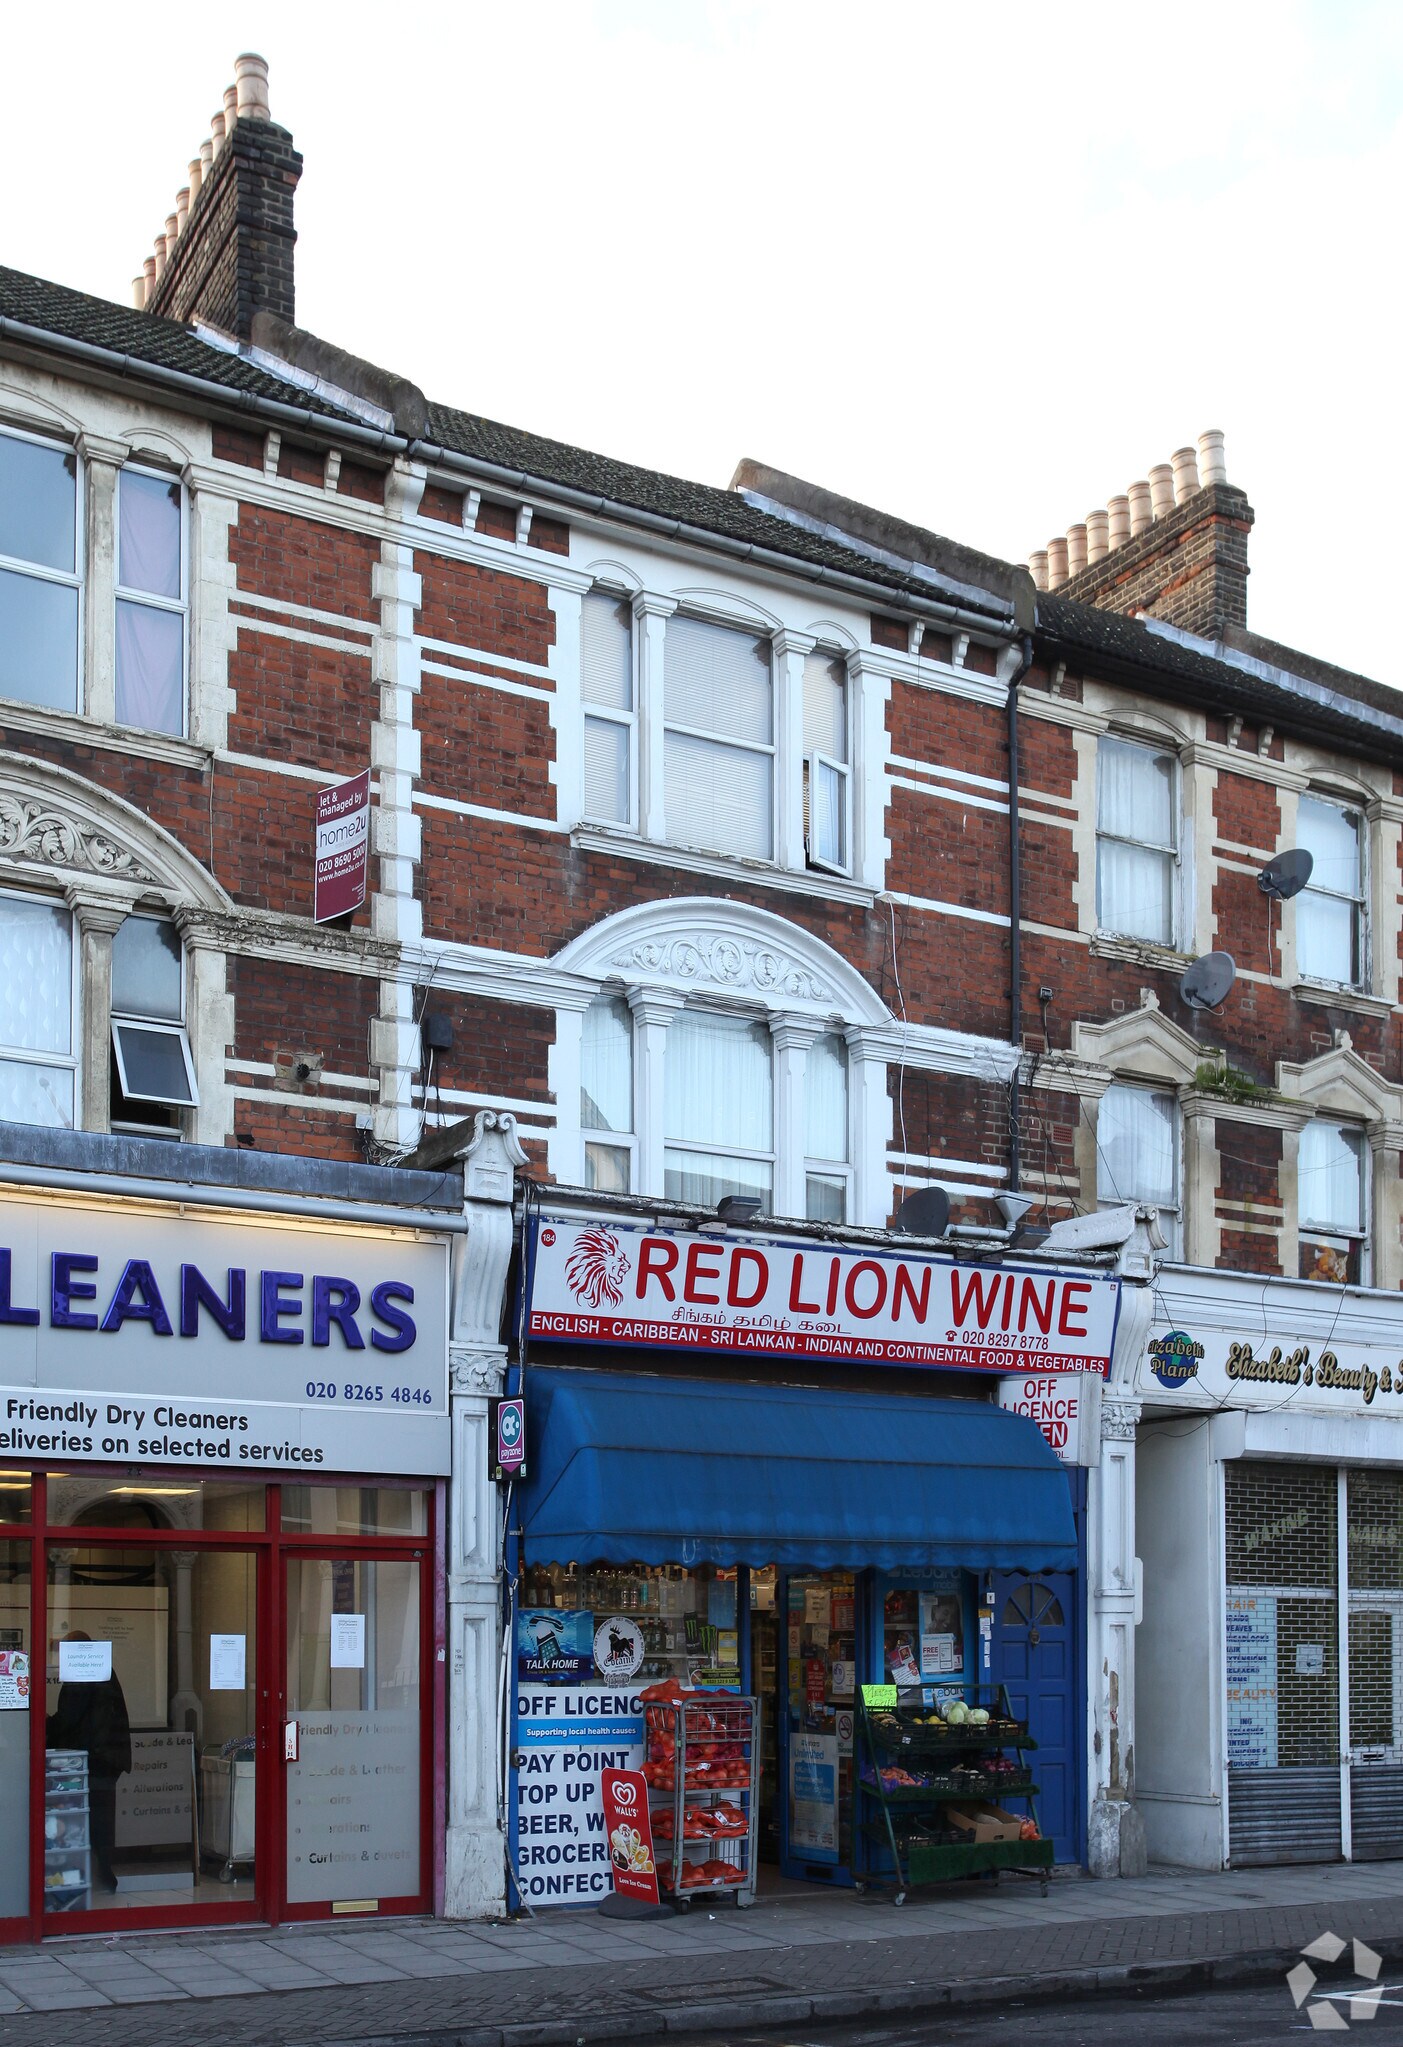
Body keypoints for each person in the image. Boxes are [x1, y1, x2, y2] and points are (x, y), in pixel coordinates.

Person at [47, 1631, 132, 1893]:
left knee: (87, 1820)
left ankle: (97, 1878)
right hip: (108, 1757)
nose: (61, 1662)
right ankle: (101, 1876)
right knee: (100, 1819)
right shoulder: (102, 1669)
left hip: (94, 1759)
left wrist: (44, 1725)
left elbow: (70, 1717)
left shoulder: (83, 1673)